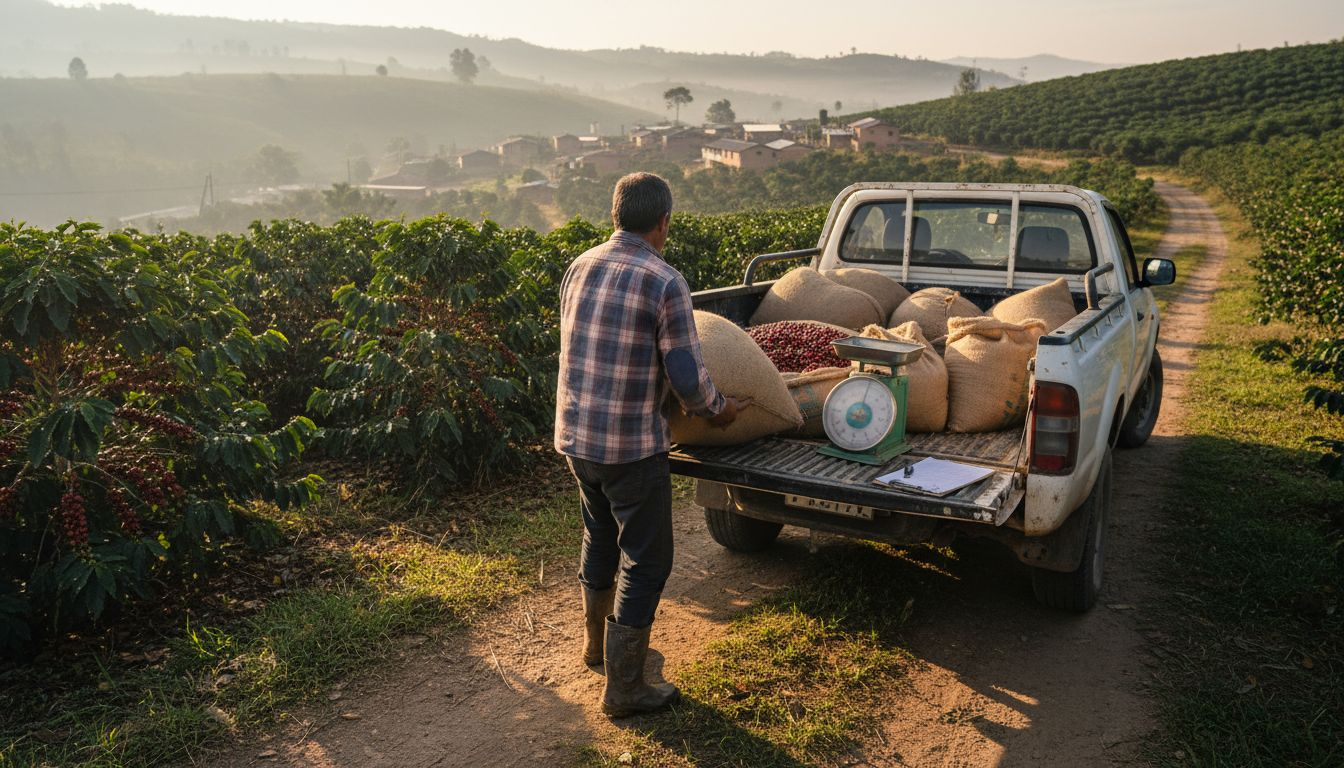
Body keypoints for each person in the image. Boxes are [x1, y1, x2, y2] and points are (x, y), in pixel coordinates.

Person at [554, 171, 743, 717]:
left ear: (616, 216)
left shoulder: (580, 265)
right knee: (648, 556)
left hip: (576, 436)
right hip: (630, 446)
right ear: (664, 222)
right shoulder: (664, 281)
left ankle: (597, 646)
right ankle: (626, 688)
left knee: (600, 532)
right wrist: (720, 411)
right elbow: (686, 378)